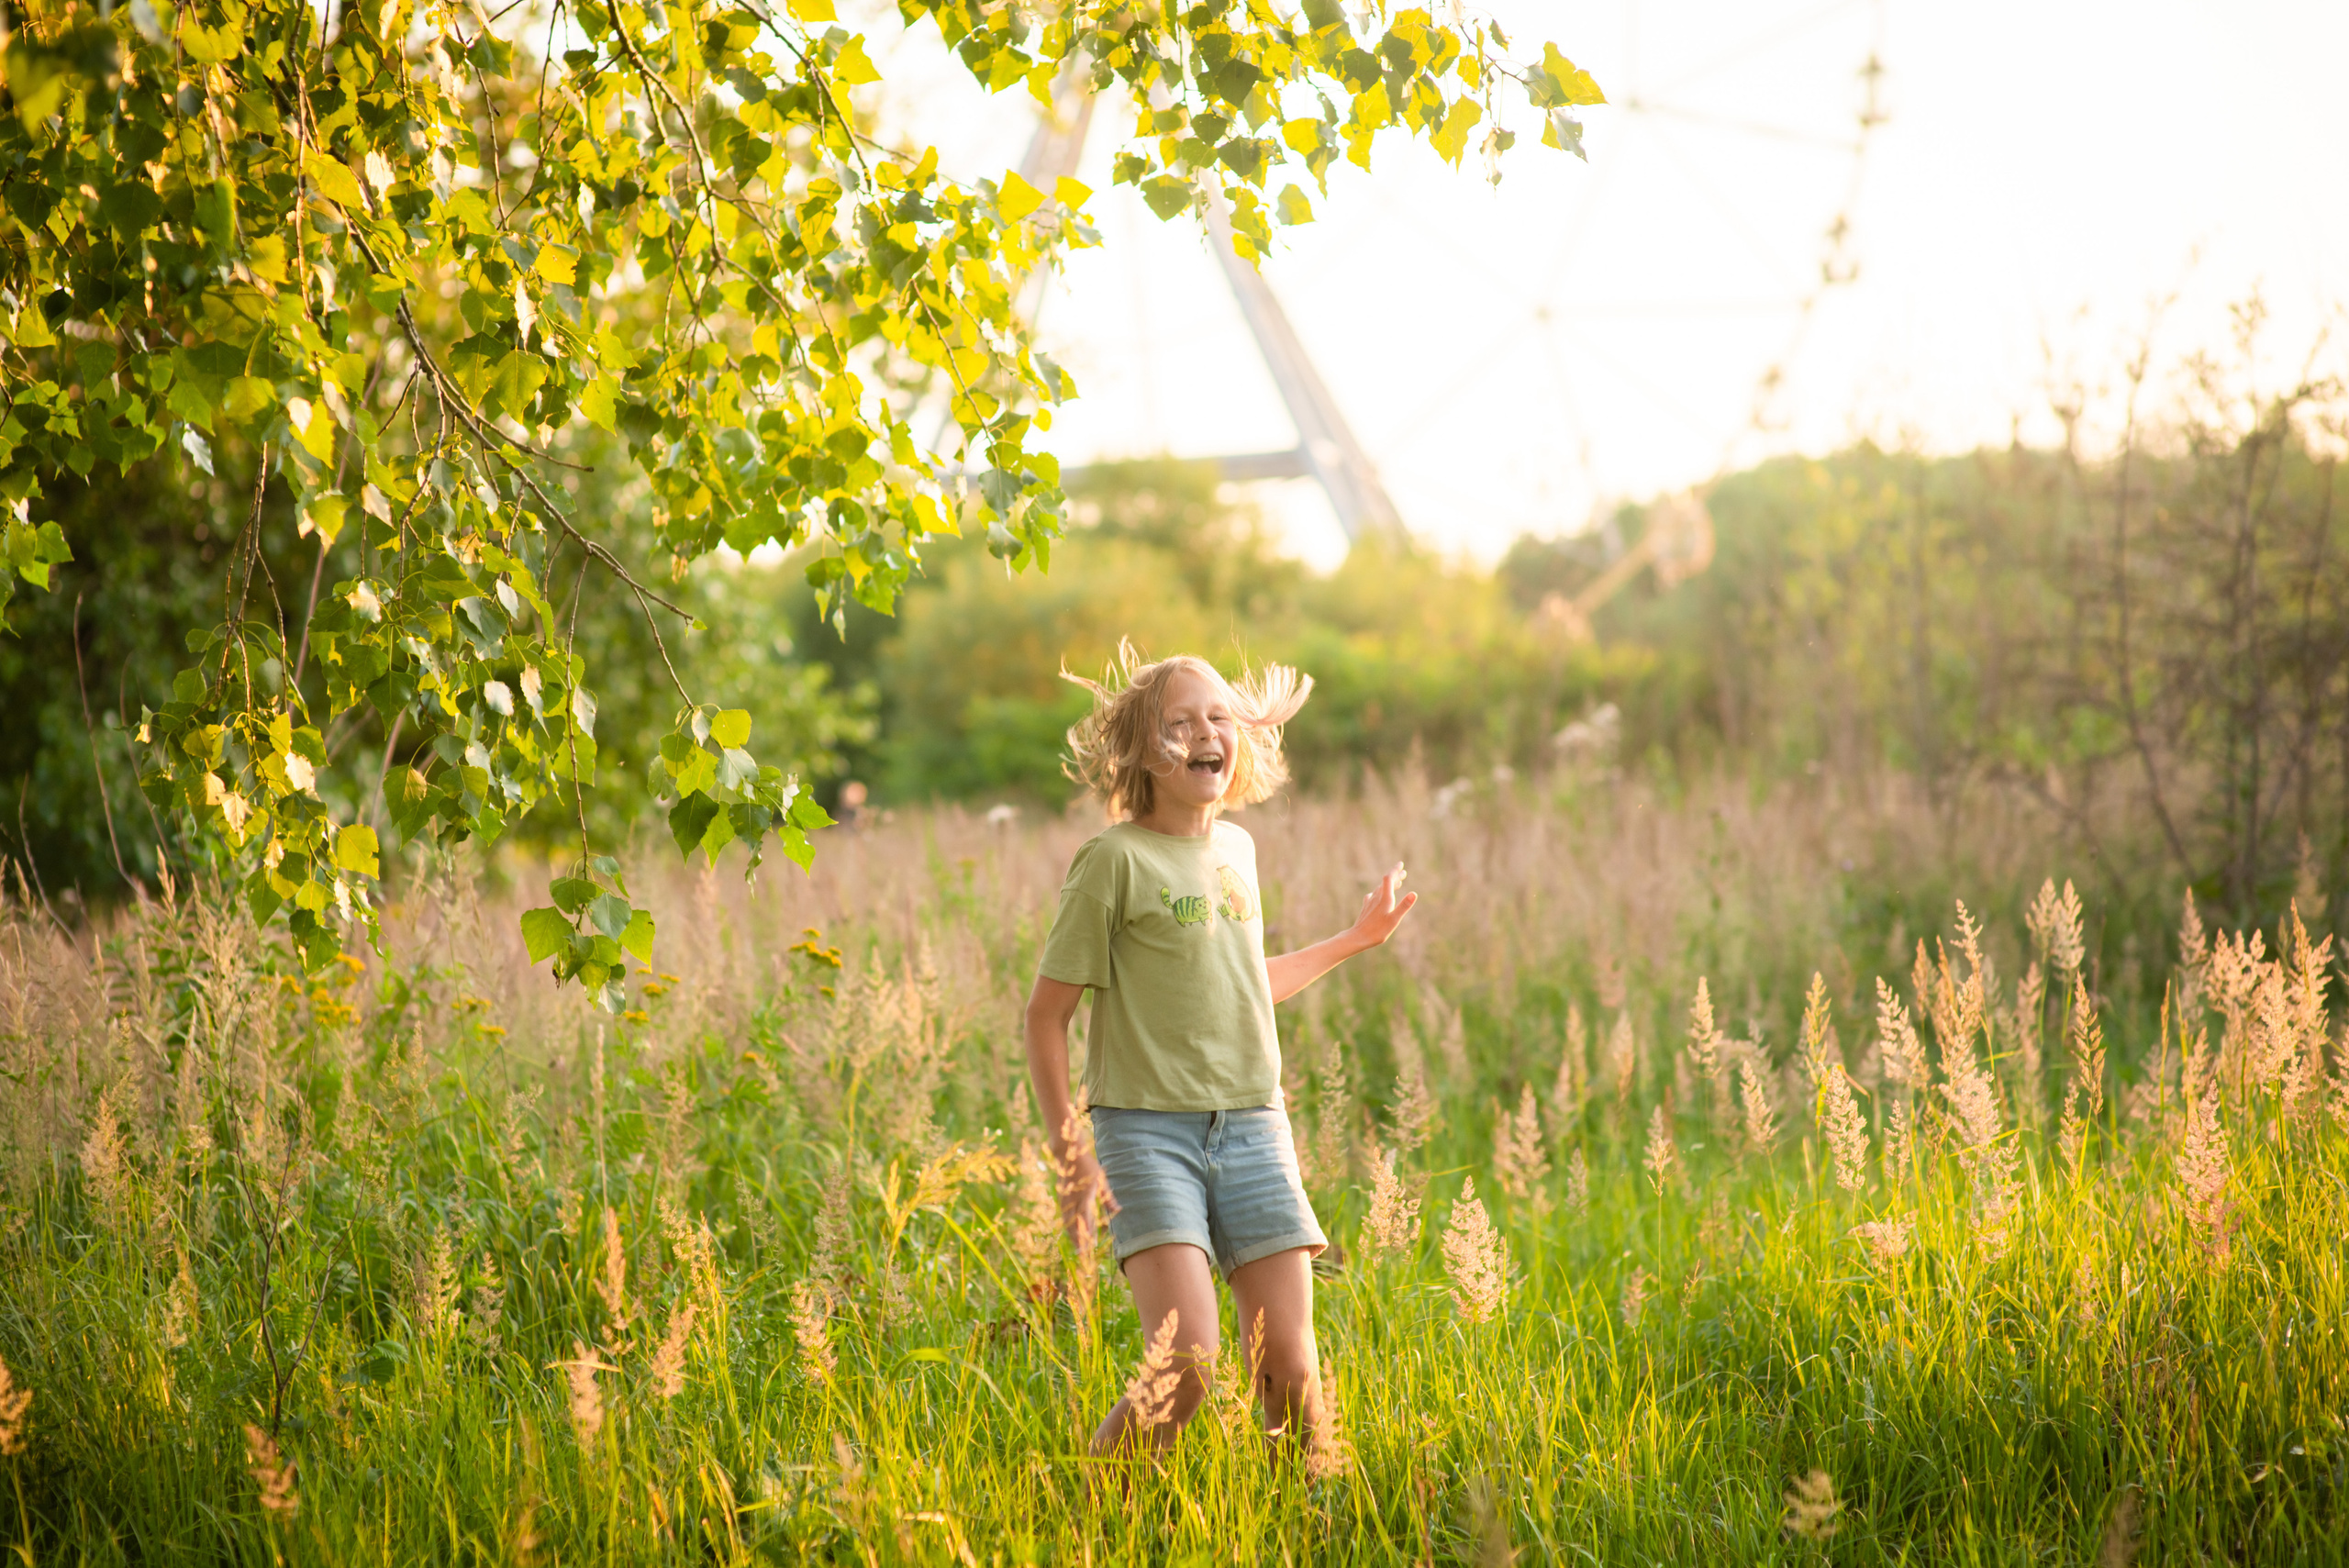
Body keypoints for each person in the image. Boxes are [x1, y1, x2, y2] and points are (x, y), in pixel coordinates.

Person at [1024, 640, 1419, 1456]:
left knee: (1289, 1367)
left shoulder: (1237, 849)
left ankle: (1308, 1525)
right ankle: (1099, 1513)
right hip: (1147, 1134)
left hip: (1252, 1125)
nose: (1206, 732)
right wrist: (1072, 1154)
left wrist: (1352, 940)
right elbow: (1043, 1017)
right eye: (1181, 722)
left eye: (1217, 717)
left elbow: (1240, 980)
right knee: (1188, 1362)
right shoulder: (1113, 861)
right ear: (1143, 749)